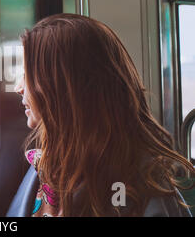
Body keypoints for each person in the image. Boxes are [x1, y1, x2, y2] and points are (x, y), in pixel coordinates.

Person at [14, 14, 194, 217]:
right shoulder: (47, 165)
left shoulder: (137, 191)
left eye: (26, 75)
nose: (18, 87)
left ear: (64, 87)